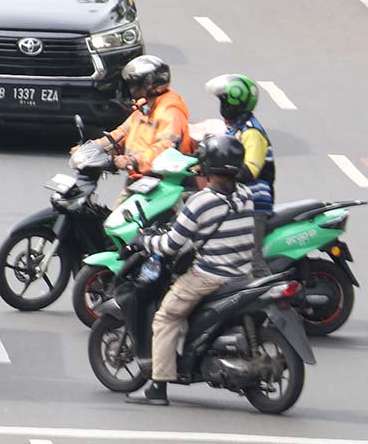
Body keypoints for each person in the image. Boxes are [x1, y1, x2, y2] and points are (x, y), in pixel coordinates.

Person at [127, 134, 257, 406]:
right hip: (243, 275)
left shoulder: (200, 202)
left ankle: (157, 387)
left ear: (208, 166)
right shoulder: (246, 194)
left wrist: (143, 239)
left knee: (166, 317)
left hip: (209, 277)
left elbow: (170, 245)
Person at [80, 55, 193, 207]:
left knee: (116, 227)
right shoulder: (144, 108)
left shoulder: (169, 110)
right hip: (139, 179)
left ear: (147, 84)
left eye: (133, 83)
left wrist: (133, 160)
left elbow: (167, 146)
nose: (130, 88)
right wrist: (91, 148)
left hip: (161, 184)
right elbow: (119, 134)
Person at [205, 73, 274, 276]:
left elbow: (249, 171)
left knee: (253, 261)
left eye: (224, 100)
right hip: (238, 199)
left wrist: (220, 169)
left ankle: (276, 300)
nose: (221, 105)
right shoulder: (235, 128)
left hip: (254, 203)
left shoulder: (251, 132)